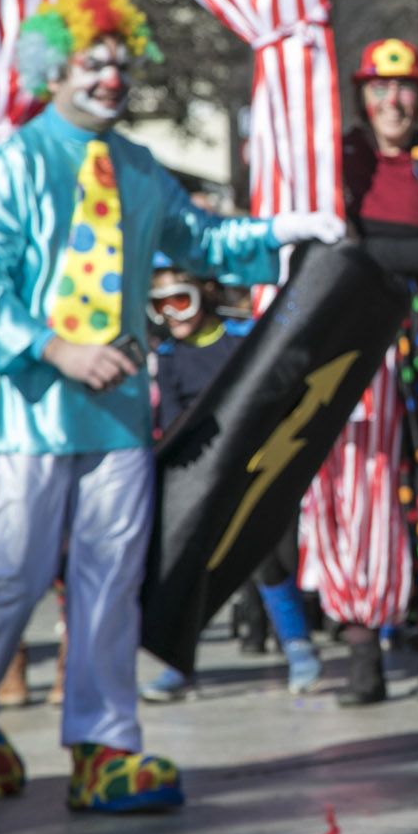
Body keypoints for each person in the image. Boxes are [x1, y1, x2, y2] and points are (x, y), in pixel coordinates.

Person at [0, 0, 342, 811]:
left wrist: (286, 228)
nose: (112, 76)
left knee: (109, 579)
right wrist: (57, 348)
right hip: (25, 403)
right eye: (93, 62)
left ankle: (106, 747)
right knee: (11, 569)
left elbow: (200, 239)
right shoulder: (16, 161)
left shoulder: (140, 167)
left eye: (119, 61)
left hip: (115, 412)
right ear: (54, 70)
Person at [301, 38, 418, 704]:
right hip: (354, 339)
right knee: (354, 484)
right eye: (380, 88)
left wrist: (362, 249)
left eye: (406, 87)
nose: (393, 101)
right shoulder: (338, 158)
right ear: (361, 96)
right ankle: (360, 651)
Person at [139, 266, 320, 701]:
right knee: (193, 567)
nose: (171, 314)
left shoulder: (243, 340)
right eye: (160, 306)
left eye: (180, 300)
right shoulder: (168, 356)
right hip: (204, 476)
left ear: (204, 295)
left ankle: (298, 648)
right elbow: (173, 423)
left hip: (262, 464)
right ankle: (179, 664)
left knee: (267, 559)